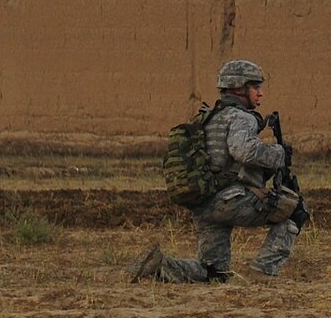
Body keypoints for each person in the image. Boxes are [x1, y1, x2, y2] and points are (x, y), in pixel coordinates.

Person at [131, 59, 305, 283]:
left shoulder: (207, 117)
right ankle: (264, 271)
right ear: (239, 88)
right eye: (256, 87)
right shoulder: (241, 117)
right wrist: (279, 153)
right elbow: (243, 151)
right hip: (229, 200)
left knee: (213, 272)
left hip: (203, 203)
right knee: (296, 210)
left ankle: (159, 265)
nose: (261, 93)